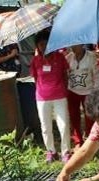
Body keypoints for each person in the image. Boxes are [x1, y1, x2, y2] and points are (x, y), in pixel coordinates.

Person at [30, 30, 71, 163]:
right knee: (45, 126)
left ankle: (66, 152)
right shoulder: (35, 60)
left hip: (60, 95)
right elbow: (35, 78)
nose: (44, 46)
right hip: (42, 98)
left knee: (63, 125)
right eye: (40, 44)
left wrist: (63, 90)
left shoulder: (60, 57)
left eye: (46, 43)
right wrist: (43, 90)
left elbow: (65, 75)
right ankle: (51, 151)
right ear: (37, 46)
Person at [66, 44, 99, 148]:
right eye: (71, 45)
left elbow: (96, 75)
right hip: (72, 91)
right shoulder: (68, 58)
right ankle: (78, 140)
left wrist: (96, 93)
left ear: (82, 44)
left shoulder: (91, 57)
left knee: (89, 117)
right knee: (74, 116)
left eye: (75, 45)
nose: (73, 47)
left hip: (88, 92)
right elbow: (66, 75)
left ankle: (90, 140)